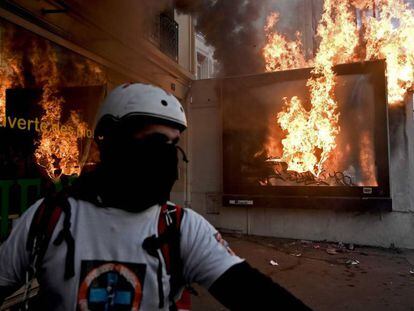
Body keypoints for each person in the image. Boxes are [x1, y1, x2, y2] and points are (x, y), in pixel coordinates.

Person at [0, 83, 312, 310]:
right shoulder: (49, 219)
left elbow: (251, 292)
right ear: (112, 144)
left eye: (173, 144)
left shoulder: (182, 228)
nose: (167, 157)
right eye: (154, 142)